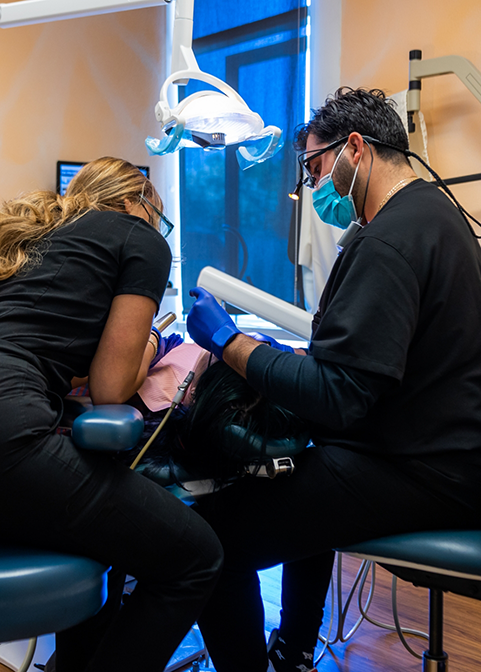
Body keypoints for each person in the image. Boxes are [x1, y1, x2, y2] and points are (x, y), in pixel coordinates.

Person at [185, 88, 481, 672]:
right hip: (444, 456)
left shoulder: (390, 241)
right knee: (303, 477)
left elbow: (337, 396)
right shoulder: (432, 215)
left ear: (354, 149)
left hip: (420, 473)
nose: (313, 186)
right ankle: (294, 648)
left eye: (315, 167)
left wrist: (229, 342)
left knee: (208, 543)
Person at [0, 157, 223, 672]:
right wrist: (147, 341)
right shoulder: (138, 237)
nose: (158, 228)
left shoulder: (36, 234)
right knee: (196, 557)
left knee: (110, 538)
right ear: (132, 201)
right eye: (158, 215)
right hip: (10, 434)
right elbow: (110, 389)